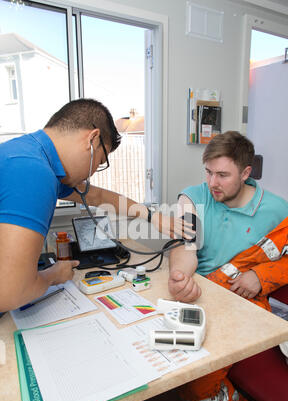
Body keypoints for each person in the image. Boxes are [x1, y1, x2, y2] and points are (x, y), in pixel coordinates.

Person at [0, 98, 193, 314]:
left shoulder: (26, 154)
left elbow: (97, 196)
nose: (92, 173)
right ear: (92, 138)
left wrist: (151, 216)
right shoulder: (33, 172)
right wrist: (55, 275)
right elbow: (11, 293)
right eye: (100, 161)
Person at [168, 130, 288, 401]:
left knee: (196, 389)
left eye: (223, 175)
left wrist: (262, 275)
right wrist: (181, 275)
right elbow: (184, 246)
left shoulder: (278, 210)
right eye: (209, 172)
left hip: (246, 302)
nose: (212, 183)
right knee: (168, 357)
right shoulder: (193, 196)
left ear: (246, 173)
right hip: (201, 293)